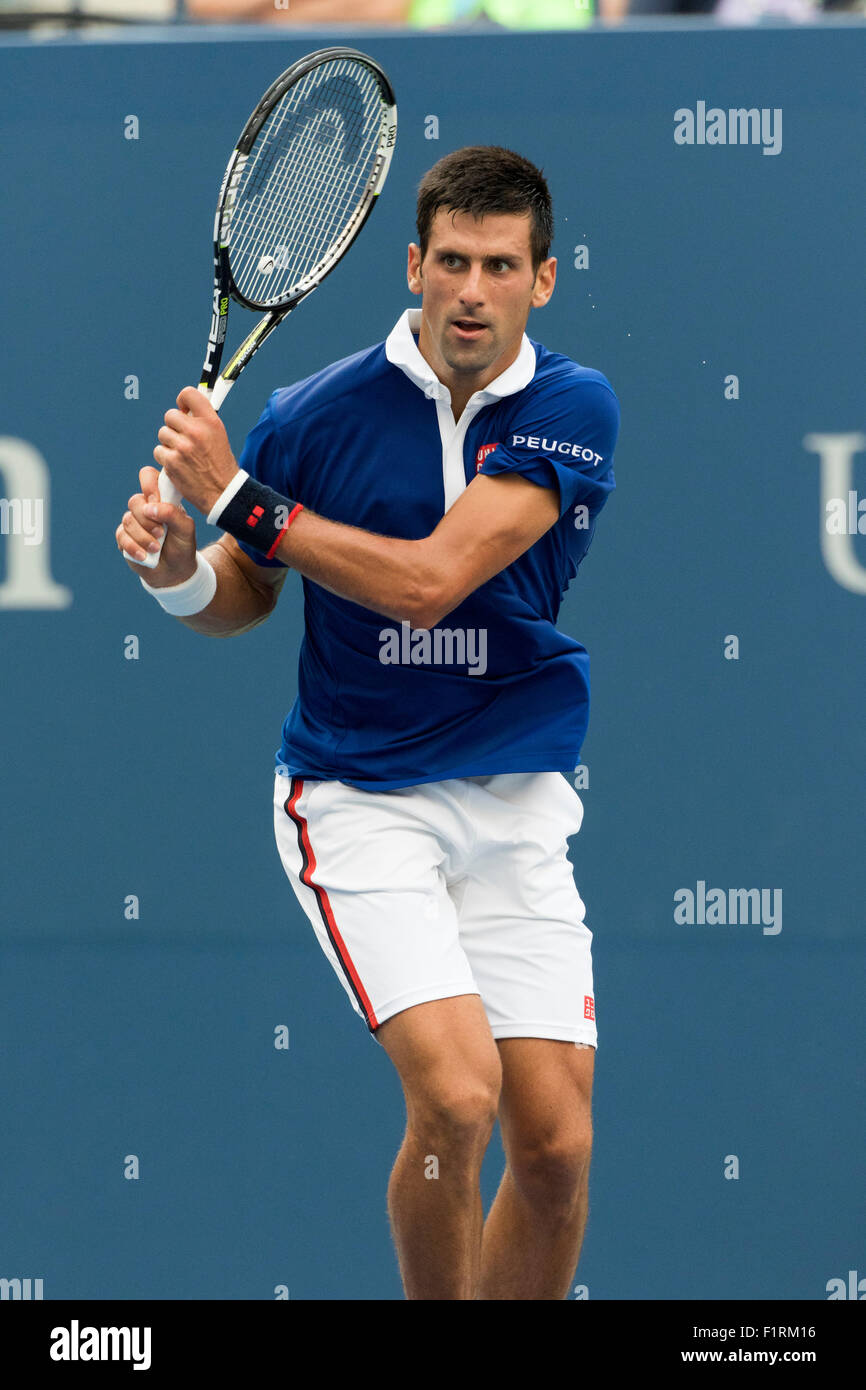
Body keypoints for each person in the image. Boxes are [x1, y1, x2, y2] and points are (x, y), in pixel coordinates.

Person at [116, 146, 620, 1300]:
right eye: (451, 261)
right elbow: (242, 596)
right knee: (452, 1095)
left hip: (513, 794)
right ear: (413, 266)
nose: (472, 292)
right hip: (356, 798)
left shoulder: (571, 405)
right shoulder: (314, 414)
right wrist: (180, 568)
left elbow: (428, 580)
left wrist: (239, 495)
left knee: (553, 1149)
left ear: (542, 281)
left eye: (500, 266)